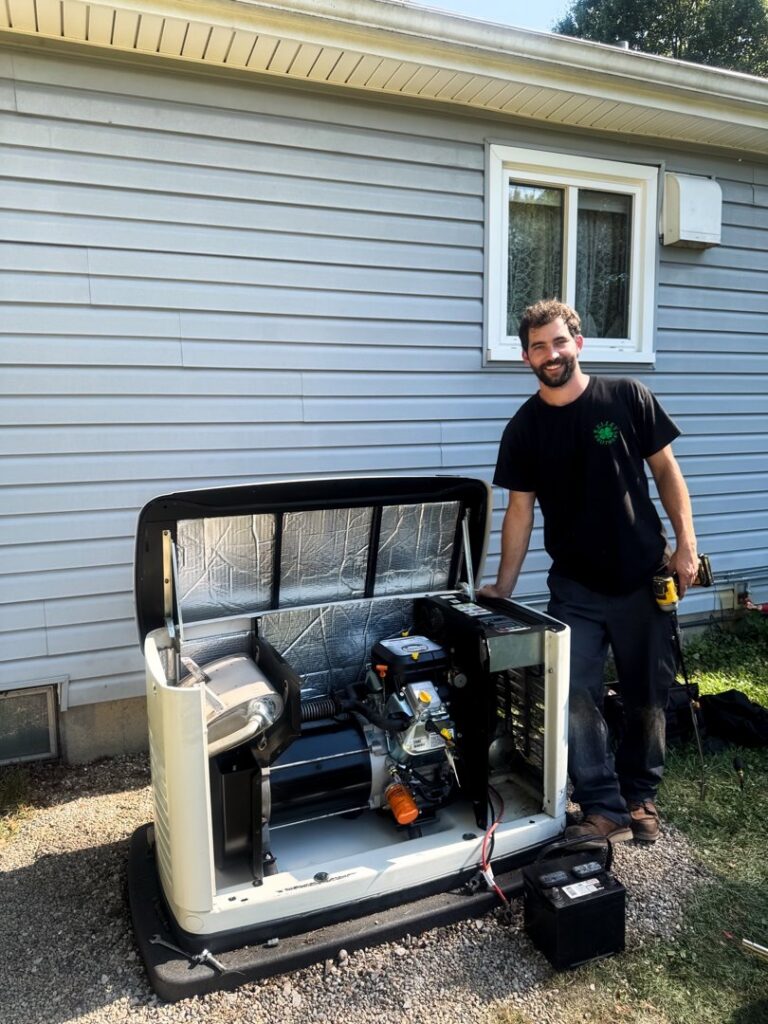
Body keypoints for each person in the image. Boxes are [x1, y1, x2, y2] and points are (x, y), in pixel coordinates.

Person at [479, 299, 698, 844]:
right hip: (575, 588)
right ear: (526, 357)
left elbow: (667, 471)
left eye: (558, 341)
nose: (550, 354)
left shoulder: (626, 397)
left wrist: (686, 546)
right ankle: (603, 806)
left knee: (648, 695)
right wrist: (503, 586)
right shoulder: (524, 429)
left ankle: (640, 796)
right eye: (538, 347)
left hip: (644, 577)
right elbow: (520, 511)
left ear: (578, 343)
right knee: (574, 695)